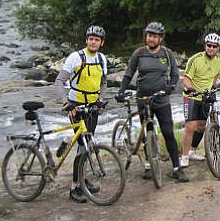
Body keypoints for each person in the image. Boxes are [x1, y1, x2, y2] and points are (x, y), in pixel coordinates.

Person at [116, 22, 187, 182]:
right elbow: (128, 74)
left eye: (155, 36)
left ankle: (177, 168)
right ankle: (148, 164)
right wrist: (121, 91)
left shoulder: (167, 54)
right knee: (146, 131)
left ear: (160, 38)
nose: (152, 39)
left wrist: (170, 86)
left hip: (162, 100)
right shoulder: (139, 54)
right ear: (146, 36)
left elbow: (175, 75)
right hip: (143, 100)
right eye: (149, 35)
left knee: (168, 132)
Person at [54, 25, 108, 203]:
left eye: (97, 40)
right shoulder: (75, 57)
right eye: (90, 39)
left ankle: (83, 180)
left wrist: (100, 100)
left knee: (88, 144)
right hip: (76, 105)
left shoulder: (101, 59)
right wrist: (65, 102)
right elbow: (60, 81)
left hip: (92, 107)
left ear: (101, 43)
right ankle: (74, 187)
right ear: (86, 40)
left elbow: (103, 82)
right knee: (83, 147)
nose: (93, 42)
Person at [180, 33, 220, 167]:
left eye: (214, 46)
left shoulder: (219, 61)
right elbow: (186, 79)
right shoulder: (195, 59)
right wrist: (191, 88)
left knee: (201, 127)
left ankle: (193, 152)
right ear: (205, 46)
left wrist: (212, 88)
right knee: (190, 127)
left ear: (218, 48)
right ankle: (185, 155)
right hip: (192, 96)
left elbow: (215, 76)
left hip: (206, 97)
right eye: (209, 45)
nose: (211, 48)